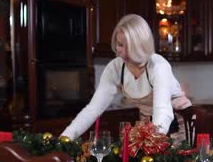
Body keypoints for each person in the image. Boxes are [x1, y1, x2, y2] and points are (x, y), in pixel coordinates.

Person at [61, 14, 191, 140]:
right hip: (148, 130)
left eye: (130, 46)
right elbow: (93, 110)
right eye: (120, 44)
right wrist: (66, 137)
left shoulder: (158, 66)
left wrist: (151, 140)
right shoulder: (116, 68)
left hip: (178, 129)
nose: (123, 51)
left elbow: (163, 112)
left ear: (143, 45)